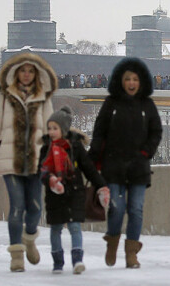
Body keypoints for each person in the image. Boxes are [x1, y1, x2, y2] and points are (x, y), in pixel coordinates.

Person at [0, 53, 56, 272]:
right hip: (9, 159)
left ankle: (29, 238)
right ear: (15, 73)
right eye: (23, 70)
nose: (26, 75)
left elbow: (51, 130)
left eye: (31, 71)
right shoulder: (3, 96)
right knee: (17, 206)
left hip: (36, 160)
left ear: (36, 74)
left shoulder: (43, 97)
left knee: (34, 208)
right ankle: (16, 254)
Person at [88, 57, 162, 269]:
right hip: (113, 167)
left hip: (138, 167)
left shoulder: (147, 105)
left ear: (141, 82)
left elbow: (156, 131)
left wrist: (146, 152)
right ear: (120, 81)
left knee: (136, 210)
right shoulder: (111, 104)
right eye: (127, 79)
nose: (131, 83)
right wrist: (92, 161)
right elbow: (99, 133)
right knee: (117, 208)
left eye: (135, 79)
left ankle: (131, 253)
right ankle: (112, 241)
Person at [40, 106, 109, 274]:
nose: (51, 132)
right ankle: (57, 261)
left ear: (63, 129)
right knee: (56, 228)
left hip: (74, 193)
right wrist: (50, 180)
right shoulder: (46, 149)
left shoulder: (75, 148)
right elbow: (40, 172)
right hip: (54, 196)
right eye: (49, 128)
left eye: (55, 128)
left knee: (75, 227)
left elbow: (89, 169)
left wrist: (101, 185)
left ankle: (77, 260)